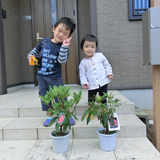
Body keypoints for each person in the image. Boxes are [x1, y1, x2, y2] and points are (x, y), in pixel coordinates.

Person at [27, 17, 76, 127]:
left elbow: (61, 60)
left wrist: (64, 46)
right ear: (54, 29)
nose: (61, 35)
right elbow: (34, 51)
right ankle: (49, 116)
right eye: (59, 30)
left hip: (55, 77)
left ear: (68, 36)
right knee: (45, 97)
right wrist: (31, 56)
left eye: (65, 33)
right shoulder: (44, 41)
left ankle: (65, 115)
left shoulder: (64, 47)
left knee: (60, 96)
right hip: (42, 76)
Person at [79, 34, 114, 119]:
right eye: (86, 46)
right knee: (91, 100)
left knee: (103, 98)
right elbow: (82, 75)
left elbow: (107, 65)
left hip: (103, 82)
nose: (89, 49)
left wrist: (109, 73)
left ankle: (104, 111)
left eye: (92, 47)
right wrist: (84, 83)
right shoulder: (83, 63)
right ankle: (90, 112)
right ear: (82, 48)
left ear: (96, 48)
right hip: (91, 85)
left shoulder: (100, 56)